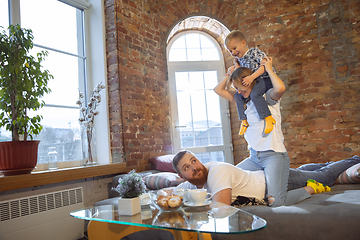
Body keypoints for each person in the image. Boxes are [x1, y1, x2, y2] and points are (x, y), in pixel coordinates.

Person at [214, 56, 309, 207]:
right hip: (254, 157)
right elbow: (218, 90)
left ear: (250, 82)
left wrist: (269, 69)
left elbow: (280, 89)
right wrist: (229, 76)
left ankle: (311, 188)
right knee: (228, 179)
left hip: (274, 156)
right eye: (236, 89)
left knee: (276, 202)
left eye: (241, 88)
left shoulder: (266, 97)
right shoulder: (242, 99)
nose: (238, 92)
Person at [173, 149, 360, 206]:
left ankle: (355, 159)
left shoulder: (216, 171)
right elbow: (174, 193)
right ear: (182, 176)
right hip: (270, 179)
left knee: (325, 176)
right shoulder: (196, 184)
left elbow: (221, 208)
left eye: (194, 160)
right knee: (309, 170)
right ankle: (329, 164)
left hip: (276, 182)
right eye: (187, 168)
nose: (195, 168)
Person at [224, 30, 275, 135]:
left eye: (234, 48)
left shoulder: (254, 52)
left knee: (255, 94)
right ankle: (244, 120)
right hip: (254, 81)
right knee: (238, 97)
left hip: (264, 78)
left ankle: (268, 117)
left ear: (243, 43)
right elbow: (239, 72)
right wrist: (235, 67)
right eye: (230, 51)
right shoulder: (239, 59)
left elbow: (265, 66)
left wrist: (251, 77)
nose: (233, 53)